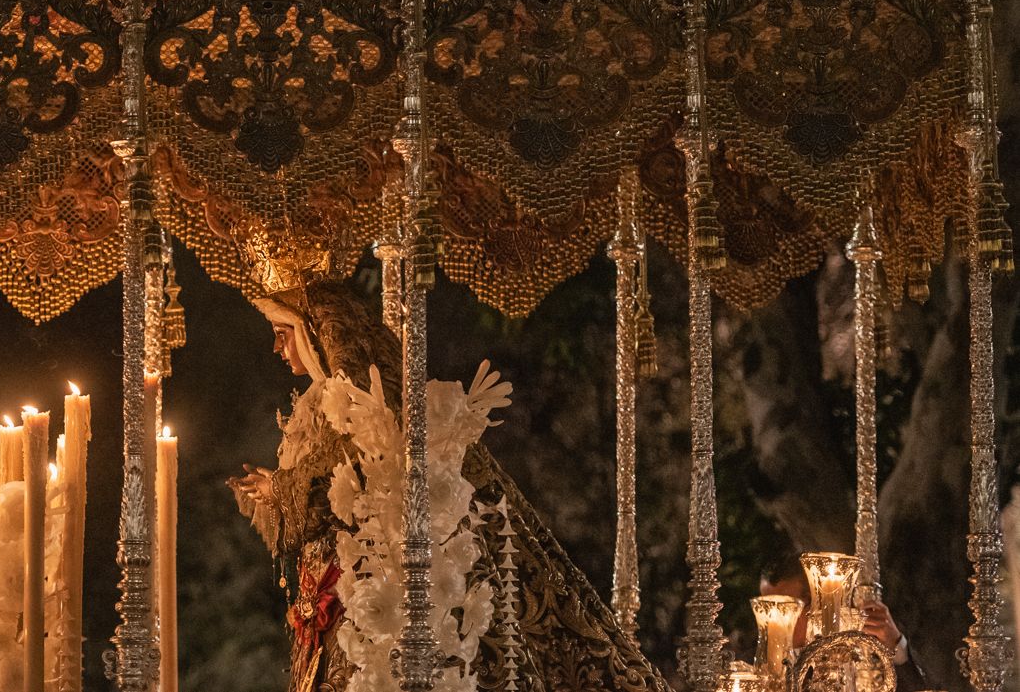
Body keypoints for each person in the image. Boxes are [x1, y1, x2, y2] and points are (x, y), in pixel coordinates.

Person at [230, 280, 668, 692]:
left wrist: (281, 490)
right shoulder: (309, 407)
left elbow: (356, 463)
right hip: (331, 593)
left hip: (378, 581)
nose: (277, 347)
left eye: (282, 332)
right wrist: (272, 496)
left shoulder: (354, 396)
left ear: (312, 332)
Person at [759, 555, 928, 692]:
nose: (772, 618)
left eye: (784, 607)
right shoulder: (756, 669)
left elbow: (920, 688)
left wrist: (895, 644)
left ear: (814, 604)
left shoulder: (853, 656)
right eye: (767, 607)